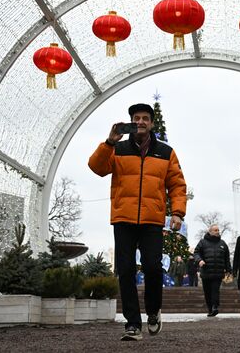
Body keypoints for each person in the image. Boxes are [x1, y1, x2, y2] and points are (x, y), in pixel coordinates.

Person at [88, 103, 187, 341]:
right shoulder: (118, 148)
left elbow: (177, 185)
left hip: (152, 220)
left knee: (153, 267)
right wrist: (109, 142)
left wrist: (177, 213)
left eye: (145, 118)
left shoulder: (166, 152)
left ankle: (153, 312)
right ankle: (132, 324)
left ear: (151, 123)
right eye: (136, 118)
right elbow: (96, 168)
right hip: (123, 217)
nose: (140, 121)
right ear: (131, 122)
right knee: (126, 270)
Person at [194, 225, 231, 317]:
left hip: (218, 272)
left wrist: (228, 270)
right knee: (207, 292)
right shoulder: (202, 242)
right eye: (215, 230)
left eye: (218, 230)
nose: (217, 231)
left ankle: (215, 307)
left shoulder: (223, 243)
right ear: (210, 231)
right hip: (206, 272)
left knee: (215, 290)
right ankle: (210, 309)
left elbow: (227, 258)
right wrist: (199, 260)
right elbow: (196, 252)